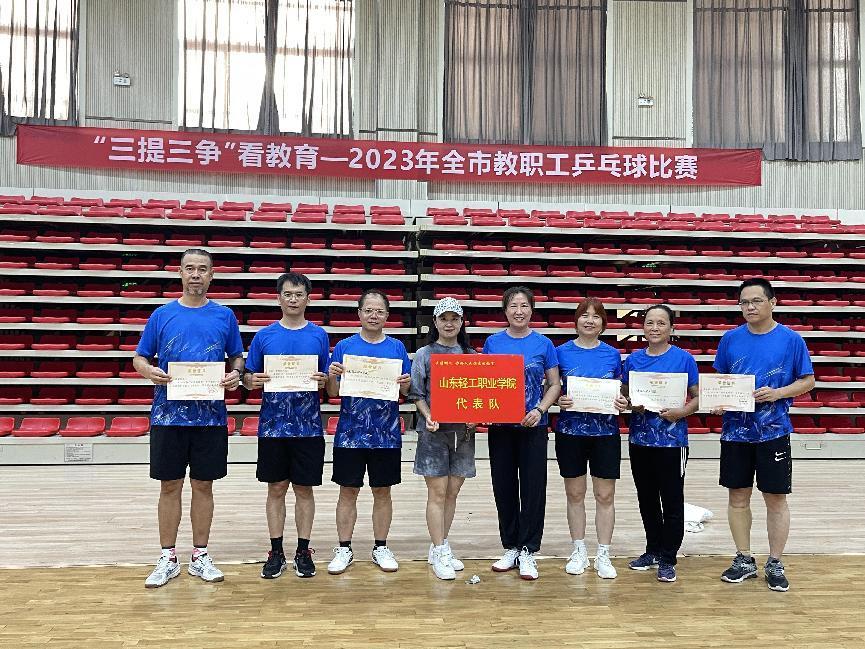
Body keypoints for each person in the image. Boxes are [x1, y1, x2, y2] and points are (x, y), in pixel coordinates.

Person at [133, 248, 244, 588]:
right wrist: (149, 371)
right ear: (180, 273)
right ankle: (168, 557)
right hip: (168, 416)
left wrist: (235, 374)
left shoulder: (224, 316)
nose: (196, 274)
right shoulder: (162, 315)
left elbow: (237, 358)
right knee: (169, 486)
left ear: (212, 275)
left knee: (203, 485)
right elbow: (140, 358)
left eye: (203, 269)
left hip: (210, 418)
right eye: (190, 268)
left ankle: (200, 555)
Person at [713, 278, 814, 592]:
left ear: (772, 302)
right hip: (735, 433)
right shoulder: (730, 339)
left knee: (775, 498)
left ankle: (775, 561)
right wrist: (718, 401)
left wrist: (778, 393)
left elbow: (808, 381)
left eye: (756, 301)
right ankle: (744, 558)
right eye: (744, 302)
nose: (749, 307)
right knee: (737, 496)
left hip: (774, 432)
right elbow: (721, 381)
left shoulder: (791, 339)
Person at [242, 272, 329, 579]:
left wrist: (325, 379)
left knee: (304, 489)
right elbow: (248, 378)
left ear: (308, 299)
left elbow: (327, 381)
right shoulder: (264, 336)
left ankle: (303, 550)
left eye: (299, 294)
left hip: (308, 427)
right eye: (288, 294)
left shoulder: (319, 335)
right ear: (278, 298)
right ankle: (276, 550)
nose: (293, 299)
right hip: (273, 426)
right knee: (276, 488)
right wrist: (252, 380)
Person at [325, 288, 412, 575]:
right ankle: (344, 548)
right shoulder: (344, 346)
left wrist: (405, 383)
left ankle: (381, 547)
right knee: (347, 491)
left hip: (386, 434)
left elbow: (406, 391)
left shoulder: (397, 348)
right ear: (359, 313)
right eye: (369, 310)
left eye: (379, 311)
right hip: (350, 433)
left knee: (382, 491)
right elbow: (333, 391)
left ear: (387, 315)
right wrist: (332, 377)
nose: (374, 315)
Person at [483, 286, 560, 580]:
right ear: (505, 311)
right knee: (503, 487)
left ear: (532, 310)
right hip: (501, 428)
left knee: (533, 488)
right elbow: (486, 383)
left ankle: (528, 549)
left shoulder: (543, 343)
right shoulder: (493, 342)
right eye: (513, 306)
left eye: (524, 306)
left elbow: (554, 384)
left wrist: (540, 409)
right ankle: (511, 546)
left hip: (533, 426)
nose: (519, 311)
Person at [621, 304, 699, 583]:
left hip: (672, 442)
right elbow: (625, 397)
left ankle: (668, 557)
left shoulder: (684, 359)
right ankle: (652, 549)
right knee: (647, 498)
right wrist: (631, 405)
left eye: (661, 323)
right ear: (643, 327)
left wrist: (681, 412)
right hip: (640, 440)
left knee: (672, 500)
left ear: (671, 328)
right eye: (650, 323)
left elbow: (698, 397)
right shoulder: (633, 360)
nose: (654, 328)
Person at [555, 298, 628, 580]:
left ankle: (604, 553)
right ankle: (578, 550)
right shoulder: (561, 352)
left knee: (605, 495)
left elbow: (621, 392)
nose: (589, 320)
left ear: (603, 323)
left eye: (596, 316)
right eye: (584, 315)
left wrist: (622, 402)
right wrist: (559, 400)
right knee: (574, 494)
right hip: (570, 433)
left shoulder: (612, 355)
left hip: (605, 434)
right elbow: (552, 388)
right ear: (576, 321)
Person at [408, 297, 476, 581]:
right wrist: (428, 415)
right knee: (437, 492)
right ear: (435, 322)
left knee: (452, 492)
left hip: (463, 434)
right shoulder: (424, 354)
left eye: (454, 319)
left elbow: (479, 393)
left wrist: (475, 416)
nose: (449, 324)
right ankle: (439, 549)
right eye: (443, 319)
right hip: (433, 433)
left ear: (461, 323)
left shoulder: (471, 355)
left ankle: (441, 544)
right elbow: (416, 393)